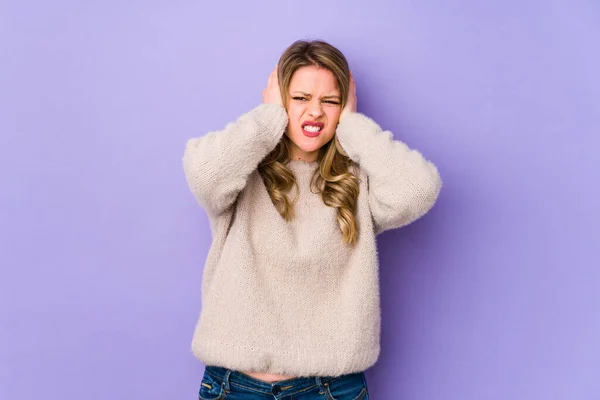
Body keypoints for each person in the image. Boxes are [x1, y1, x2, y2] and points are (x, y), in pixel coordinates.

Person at [182, 39, 442, 399]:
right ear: (279, 99)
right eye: (300, 98)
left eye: (330, 101)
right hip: (235, 387)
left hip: (329, 390)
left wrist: (354, 127)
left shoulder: (357, 179)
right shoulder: (243, 171)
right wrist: (267, 118)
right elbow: (204, 172)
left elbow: (418, 188)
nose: (315, 112)